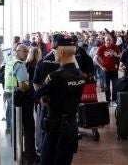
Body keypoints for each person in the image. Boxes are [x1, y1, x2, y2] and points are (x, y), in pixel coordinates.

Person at [36, 35, 85, 165]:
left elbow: (37, 95)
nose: (54, 53)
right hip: (71, 127)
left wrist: (43, 99)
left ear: (61, 51)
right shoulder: (80, 75)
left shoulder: (55, 76)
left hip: (55, 130)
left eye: (55, 50)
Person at [4, 44, 31, 134]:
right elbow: (22, 85)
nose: (26, 54)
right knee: (15, 114)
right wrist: (31, 87)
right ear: (17, 51)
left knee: (9, 111)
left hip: (8, 91)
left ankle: (9, 128)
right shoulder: (20, 64)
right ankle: (15, 131)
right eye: (24, 51)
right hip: (16, 93)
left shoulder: (11, 61)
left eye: (27, 51)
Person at [93, 35, 121, 106]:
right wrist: (101, 67)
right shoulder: (101, 48)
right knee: (106, 86)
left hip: (114, 70)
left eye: (109, 40)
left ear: (111, 40)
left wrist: (116, 55)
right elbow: (95, 59)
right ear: (104, 41)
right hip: (105, 70)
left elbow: (121, 55)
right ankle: (108, 100)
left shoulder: (115, 47)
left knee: (115, 86)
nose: (108, 41)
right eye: (107, 40)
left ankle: (114, 100)